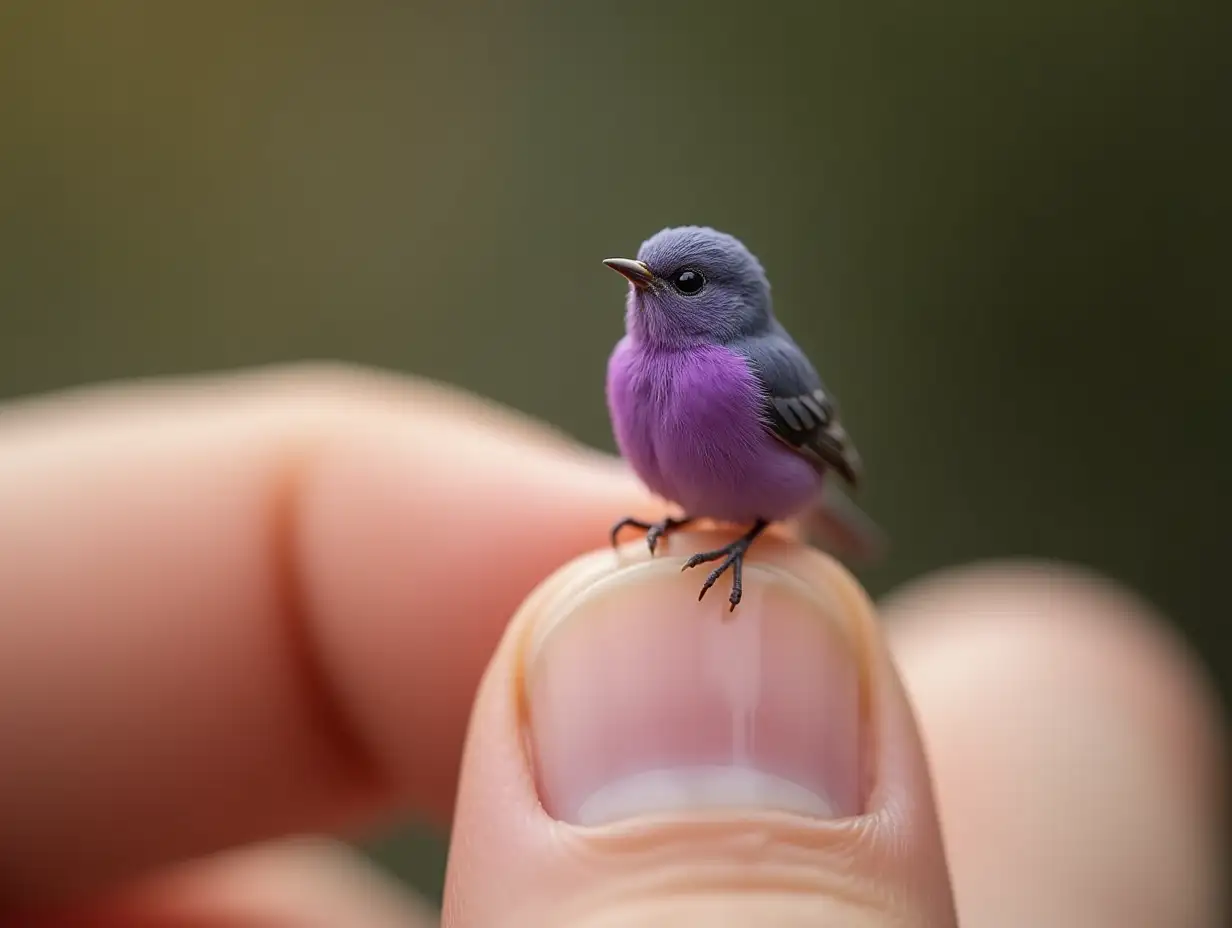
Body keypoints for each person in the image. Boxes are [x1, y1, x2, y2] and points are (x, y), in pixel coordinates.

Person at [0, 364, 1223, 927]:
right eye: (648, 278)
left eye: (680, 283)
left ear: (721, 303)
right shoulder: (633, 372)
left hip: (760, 520)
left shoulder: (749, 377)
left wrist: (755, 529)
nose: (651, 290)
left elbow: (808, 443)